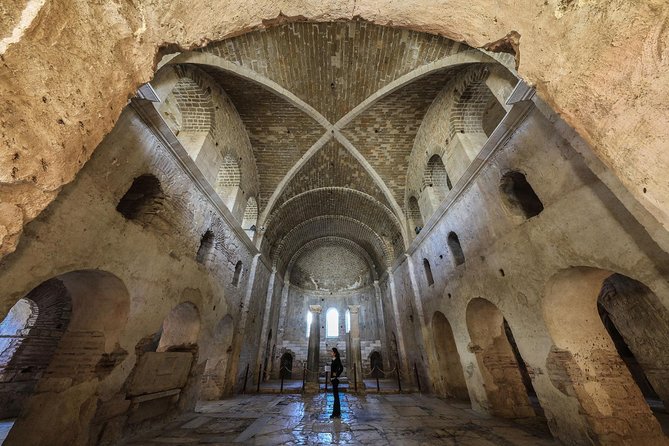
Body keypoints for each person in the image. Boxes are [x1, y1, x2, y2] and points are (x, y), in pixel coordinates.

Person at [329, 347, 344, 418]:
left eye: (331, 352)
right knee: (335, 396)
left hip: (335, 379)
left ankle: (336, 413)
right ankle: (336, 413)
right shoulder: (333, 359)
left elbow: (341, 368)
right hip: (333, 379)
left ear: (334, 353)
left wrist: (336, 375)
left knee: (336, 396)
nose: (330, 353)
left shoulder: (337, 359)